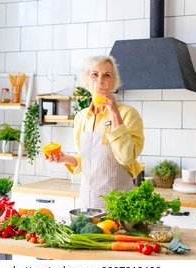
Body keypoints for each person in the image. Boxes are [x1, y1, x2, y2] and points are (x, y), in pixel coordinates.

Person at [45, 55, 144, 208]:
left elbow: (126, 157)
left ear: (113, 83)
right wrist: (66, 159)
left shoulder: (128, 114)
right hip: (88, 200)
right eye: (94, 74)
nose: (100, 80)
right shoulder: (81, 117)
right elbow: (86, 160)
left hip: (120, 203)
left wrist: (113, 111)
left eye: (107, 75)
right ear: (87, 82)